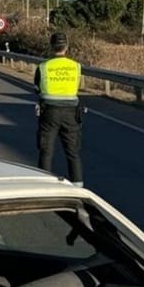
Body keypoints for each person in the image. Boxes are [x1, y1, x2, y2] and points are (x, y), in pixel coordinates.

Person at [34, 32, 84, 186]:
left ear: (51, 47)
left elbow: (37, 87)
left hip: (49, 111)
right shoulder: (75, 66)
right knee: (73, 152)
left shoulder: (43, 67)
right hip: (71, 113)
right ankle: (77, 184)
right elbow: (79, 86)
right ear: (66, 47)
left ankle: (44, 183)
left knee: (46, 150)